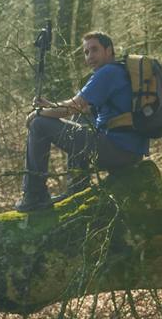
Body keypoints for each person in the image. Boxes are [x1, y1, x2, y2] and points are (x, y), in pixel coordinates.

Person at [16, 31, 148, 212]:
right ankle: (77, 189)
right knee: (81, 118)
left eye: (94, 50)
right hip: (128, 152)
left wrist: (39, 114)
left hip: (117, 151)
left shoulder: (107, 73)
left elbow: (71, 108)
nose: (90, 56)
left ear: (109, 50)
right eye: (86, 52)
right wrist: (49, 106)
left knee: (39, 124)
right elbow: (81, 109)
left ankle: (34, 195)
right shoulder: (119, 71)